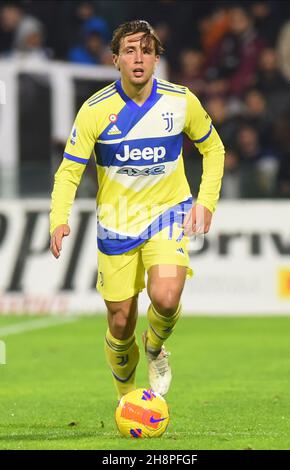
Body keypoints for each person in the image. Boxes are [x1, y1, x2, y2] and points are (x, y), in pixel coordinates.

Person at [49, 20, 225, 401]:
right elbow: (69, 171)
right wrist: (58, 218)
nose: (139, 57)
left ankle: (155, 345)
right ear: (115, 60)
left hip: (168, 213)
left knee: (165, 296)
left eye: (147, 50)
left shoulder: (181, 101)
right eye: (130, 50)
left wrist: (205, 201)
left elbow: (214, 149)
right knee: (119, 322)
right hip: (116, 223)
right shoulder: (95, 110)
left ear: (157, 58)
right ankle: (127, 397)